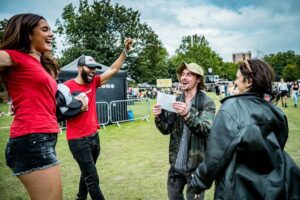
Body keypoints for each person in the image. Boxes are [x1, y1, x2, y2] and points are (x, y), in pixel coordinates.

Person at [191, 59, 300, 199]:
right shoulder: (277, 112)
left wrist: (198, 183)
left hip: (236, 191)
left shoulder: (231, 109)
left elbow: (215, 156)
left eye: (237, 78)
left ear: (249, 81)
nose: (235, 82)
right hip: (273, 190)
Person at [0, 13, 62, 200]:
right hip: (31, 140)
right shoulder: (13, 56)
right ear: (28, 34)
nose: (51, 33)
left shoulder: (41, 65)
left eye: (50, 29)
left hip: (43, 138)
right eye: (44, 29)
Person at [64, 38, 133, 200]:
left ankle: (80, 197)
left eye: (95, 68)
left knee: (87, 173)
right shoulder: (66, 87)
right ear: (80, 68)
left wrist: (125, 51)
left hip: (94, 137)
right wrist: (76, 107)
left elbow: (115, 69)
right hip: (77, 140)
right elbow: (57, 111)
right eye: (90, 68)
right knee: (93, 179)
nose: (93, 71)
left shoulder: (94, 82)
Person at [153, 62, 216, 200]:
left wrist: (187, 114)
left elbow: (205, 129)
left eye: (189, 74)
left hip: (196, 168)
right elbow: (166, 129)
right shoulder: (176, 99)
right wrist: (159, 117)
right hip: (176, 165)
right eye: (182, 74)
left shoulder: (207, 103)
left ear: (198, 79)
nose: (184, 77)